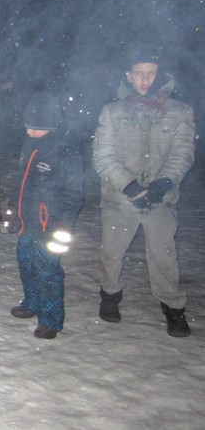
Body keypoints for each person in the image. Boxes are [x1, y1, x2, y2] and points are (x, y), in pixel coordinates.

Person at [93, 46, 195, 337]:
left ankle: (173, 309)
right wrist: (130, 185)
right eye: (139, 73)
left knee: (164, 256)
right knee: (112, 254)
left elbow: (183, 152)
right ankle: (110, 296)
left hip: (161, 200)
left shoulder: (179, 111)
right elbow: (102, 154)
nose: (145, 79)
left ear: (159, 75)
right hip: (119, 199)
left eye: (151, 73)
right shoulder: (112, 112)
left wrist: (164, 183)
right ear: (129, 75)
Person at [6, 92, 84, 340]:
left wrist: (62, 227)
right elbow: (21, 183)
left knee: (48, 271)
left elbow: (72, 196)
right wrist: (14, 211)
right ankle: (32, 303)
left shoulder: (64, 154)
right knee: (26, 265)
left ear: (49, 125)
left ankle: (50, 320)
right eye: (27, 127)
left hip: (49, 226)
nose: (29, 132)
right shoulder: (31, 146)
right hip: (27, 223)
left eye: (34, 128)